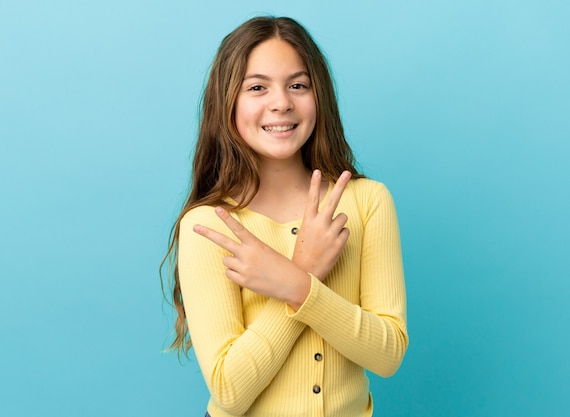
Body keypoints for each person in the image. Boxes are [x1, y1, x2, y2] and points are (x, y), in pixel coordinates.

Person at [162, 16, 408, 417]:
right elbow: (229, 390)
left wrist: (296, 285)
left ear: (319, 96)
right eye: (257, 87)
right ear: (228, 103)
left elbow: (388, 355)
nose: (281, 102)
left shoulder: (368, 202)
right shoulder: (208, 226)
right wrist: (305, 270)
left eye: (298, 85)